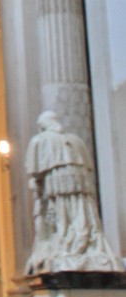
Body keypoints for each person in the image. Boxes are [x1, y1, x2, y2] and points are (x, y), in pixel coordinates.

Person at [25, 110, 121, 273]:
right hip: (81, 188)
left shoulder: (39, 140)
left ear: (42, 126)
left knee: (61, 216)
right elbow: (89, 169)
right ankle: (81, 241)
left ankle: (67, 242)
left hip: (56, 187)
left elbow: (34, 171)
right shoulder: (76, 141)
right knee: (80, 213)